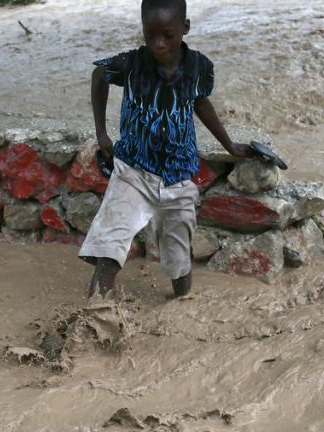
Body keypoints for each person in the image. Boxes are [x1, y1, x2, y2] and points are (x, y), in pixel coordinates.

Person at [79, 0, 253, 299]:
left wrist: (230, 145)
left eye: (167, 35)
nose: (158, 44)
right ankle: (94, 323)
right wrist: (102, 133)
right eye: (151, 34)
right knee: (109, 250)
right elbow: (99, 76)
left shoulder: (199, 67)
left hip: (178, 177)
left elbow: (200, 102)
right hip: (132, 170)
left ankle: (182, 303)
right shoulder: (131, 64)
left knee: (178, 262)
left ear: (185, 28)